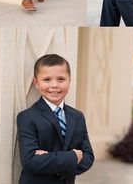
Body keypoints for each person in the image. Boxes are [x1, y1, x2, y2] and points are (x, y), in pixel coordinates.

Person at [17, 53, 94, 184]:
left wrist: (47, 159)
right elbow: (30, 161)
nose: (54, 85)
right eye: (47, 80)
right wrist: (73, 157)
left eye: (61, 79)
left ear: (70, 80)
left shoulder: (77, 116)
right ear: (36, 82)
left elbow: (88, 158)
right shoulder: (27, 117)